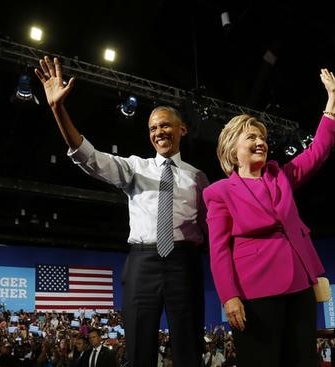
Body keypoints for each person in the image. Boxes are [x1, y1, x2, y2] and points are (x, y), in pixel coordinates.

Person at [35, 56, 207, 367]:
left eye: (165, 125)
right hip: (143, 264)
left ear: (182, 129)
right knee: (140, 348)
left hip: (185, 263)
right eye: (153, 128)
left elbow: (212, 227)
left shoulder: (198, 177)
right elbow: (88, 157)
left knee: (189, 349)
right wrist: (57, 109)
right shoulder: (133, 168)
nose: (159, 132)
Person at [203, 68, 335, 367]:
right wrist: (229, 296)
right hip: (254, 292)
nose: (261, 142)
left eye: (263, 137)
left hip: (300, 285)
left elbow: (318, 151)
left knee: (303, 360)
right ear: (231, 148)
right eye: (251, 136)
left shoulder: (280, 175)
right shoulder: (219, 192)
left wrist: (333, 102)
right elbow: (218, 250)